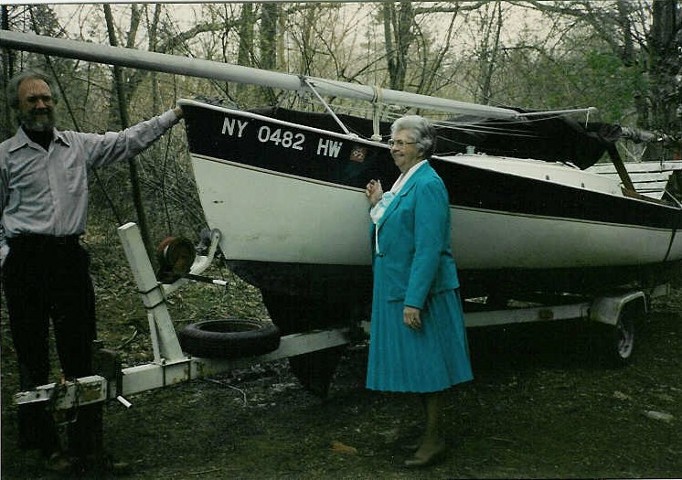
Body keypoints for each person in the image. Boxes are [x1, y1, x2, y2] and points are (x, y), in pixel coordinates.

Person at [0, 70, 183, 475]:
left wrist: (173, 115)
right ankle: (45, 446)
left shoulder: (76, 146)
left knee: (80, 351)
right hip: (25, 263)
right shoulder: (5, 156)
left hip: (68, 260)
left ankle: (88, 447)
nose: (42, 105)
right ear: (18, 107)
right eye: (33, 100)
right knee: (32, 355)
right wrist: (5, 256)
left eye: (47, 98)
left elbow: (126, 142)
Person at [364, 115, 473, 468]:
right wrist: (378, 203)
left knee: (428, 368)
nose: (393, 147)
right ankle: (428, 433)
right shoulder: (405, 180)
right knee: (416, 366)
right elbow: (396, 226)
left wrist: (414, 301)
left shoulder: (428, 184)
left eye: (401, 142)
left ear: (421, 147)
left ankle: (434, 439)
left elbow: (429, 247)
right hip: (397, 285)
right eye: (392, 141)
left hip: (419, 292)